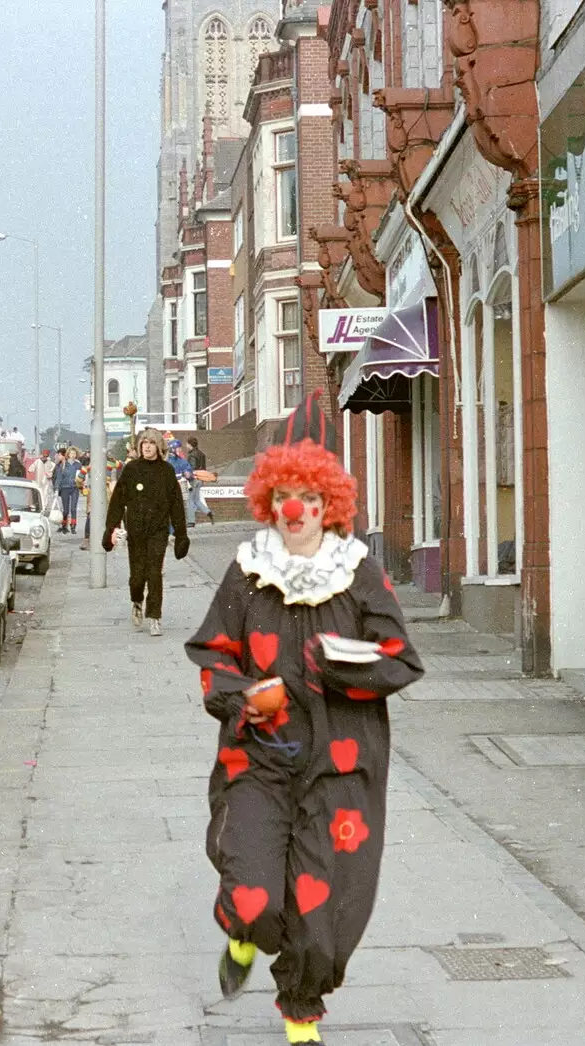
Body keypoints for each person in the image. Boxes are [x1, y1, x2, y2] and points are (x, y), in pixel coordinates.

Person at [184, 394, 423, 1045]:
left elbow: (401, 659)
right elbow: (210, 653)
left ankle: (299, 1013)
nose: (295, 512)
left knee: (321, 913)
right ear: (269, 499)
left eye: (308, 499)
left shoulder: (360, 575)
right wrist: (241, 696)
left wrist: (341, 666)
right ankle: (241, 932)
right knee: (255, 896)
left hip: (337, 768)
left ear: (329, 505)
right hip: (258, 763)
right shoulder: (247, 572)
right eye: (284, 495)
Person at [103, 428, 189, 636]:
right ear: (140, 447)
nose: (147, 446)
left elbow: (176, 505)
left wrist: (181, 534)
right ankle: (136, 601)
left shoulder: (166, 471)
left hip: (158, 531)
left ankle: (155, 616)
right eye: (144, 443)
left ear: (159, 447)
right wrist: (110, 529)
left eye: (151, 443)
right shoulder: (131, 469)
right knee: (137, 576)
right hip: (136, 530)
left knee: (154, 573)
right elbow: (118, 501)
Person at [187, 436, 214, 524]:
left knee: (190, 500)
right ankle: (208, 512)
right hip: (200, 479)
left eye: (187, 444)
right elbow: (204, 468)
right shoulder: (201, 454)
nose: (186, 445)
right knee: (197, 499)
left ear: (190, 444)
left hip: (194, 479)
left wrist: (188, 475)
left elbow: (193, 468)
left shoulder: (192, 455)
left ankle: (191, 521)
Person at [54, 447, 81, 533]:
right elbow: (59, 477)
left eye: (74, 454)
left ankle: (73, 526)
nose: (73, 455)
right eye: (71, 453)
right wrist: (57, 488)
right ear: (68, 454)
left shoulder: (78, 464)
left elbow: (82, 476)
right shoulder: (63, 464)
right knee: (65, 509)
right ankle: (64, 525)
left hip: (74, 488)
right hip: (65, 488)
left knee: (73, 508)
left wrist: (82, 484)